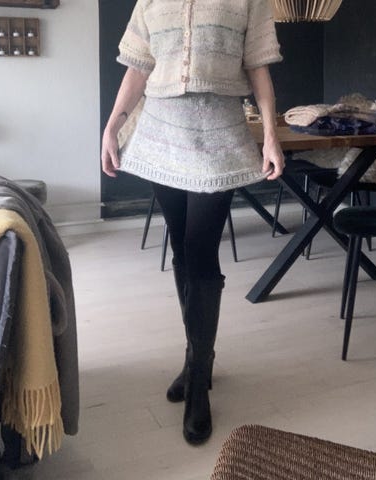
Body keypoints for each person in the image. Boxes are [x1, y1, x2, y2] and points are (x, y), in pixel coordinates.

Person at [101, 0, 285, 445]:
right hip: (161, 136)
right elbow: (139, 67)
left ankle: (199, 381)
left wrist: (270, 136)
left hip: (218, 138)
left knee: (202, 254)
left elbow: (258, 68)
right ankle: (195, 358)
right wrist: (112, 126)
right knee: (181, 249)